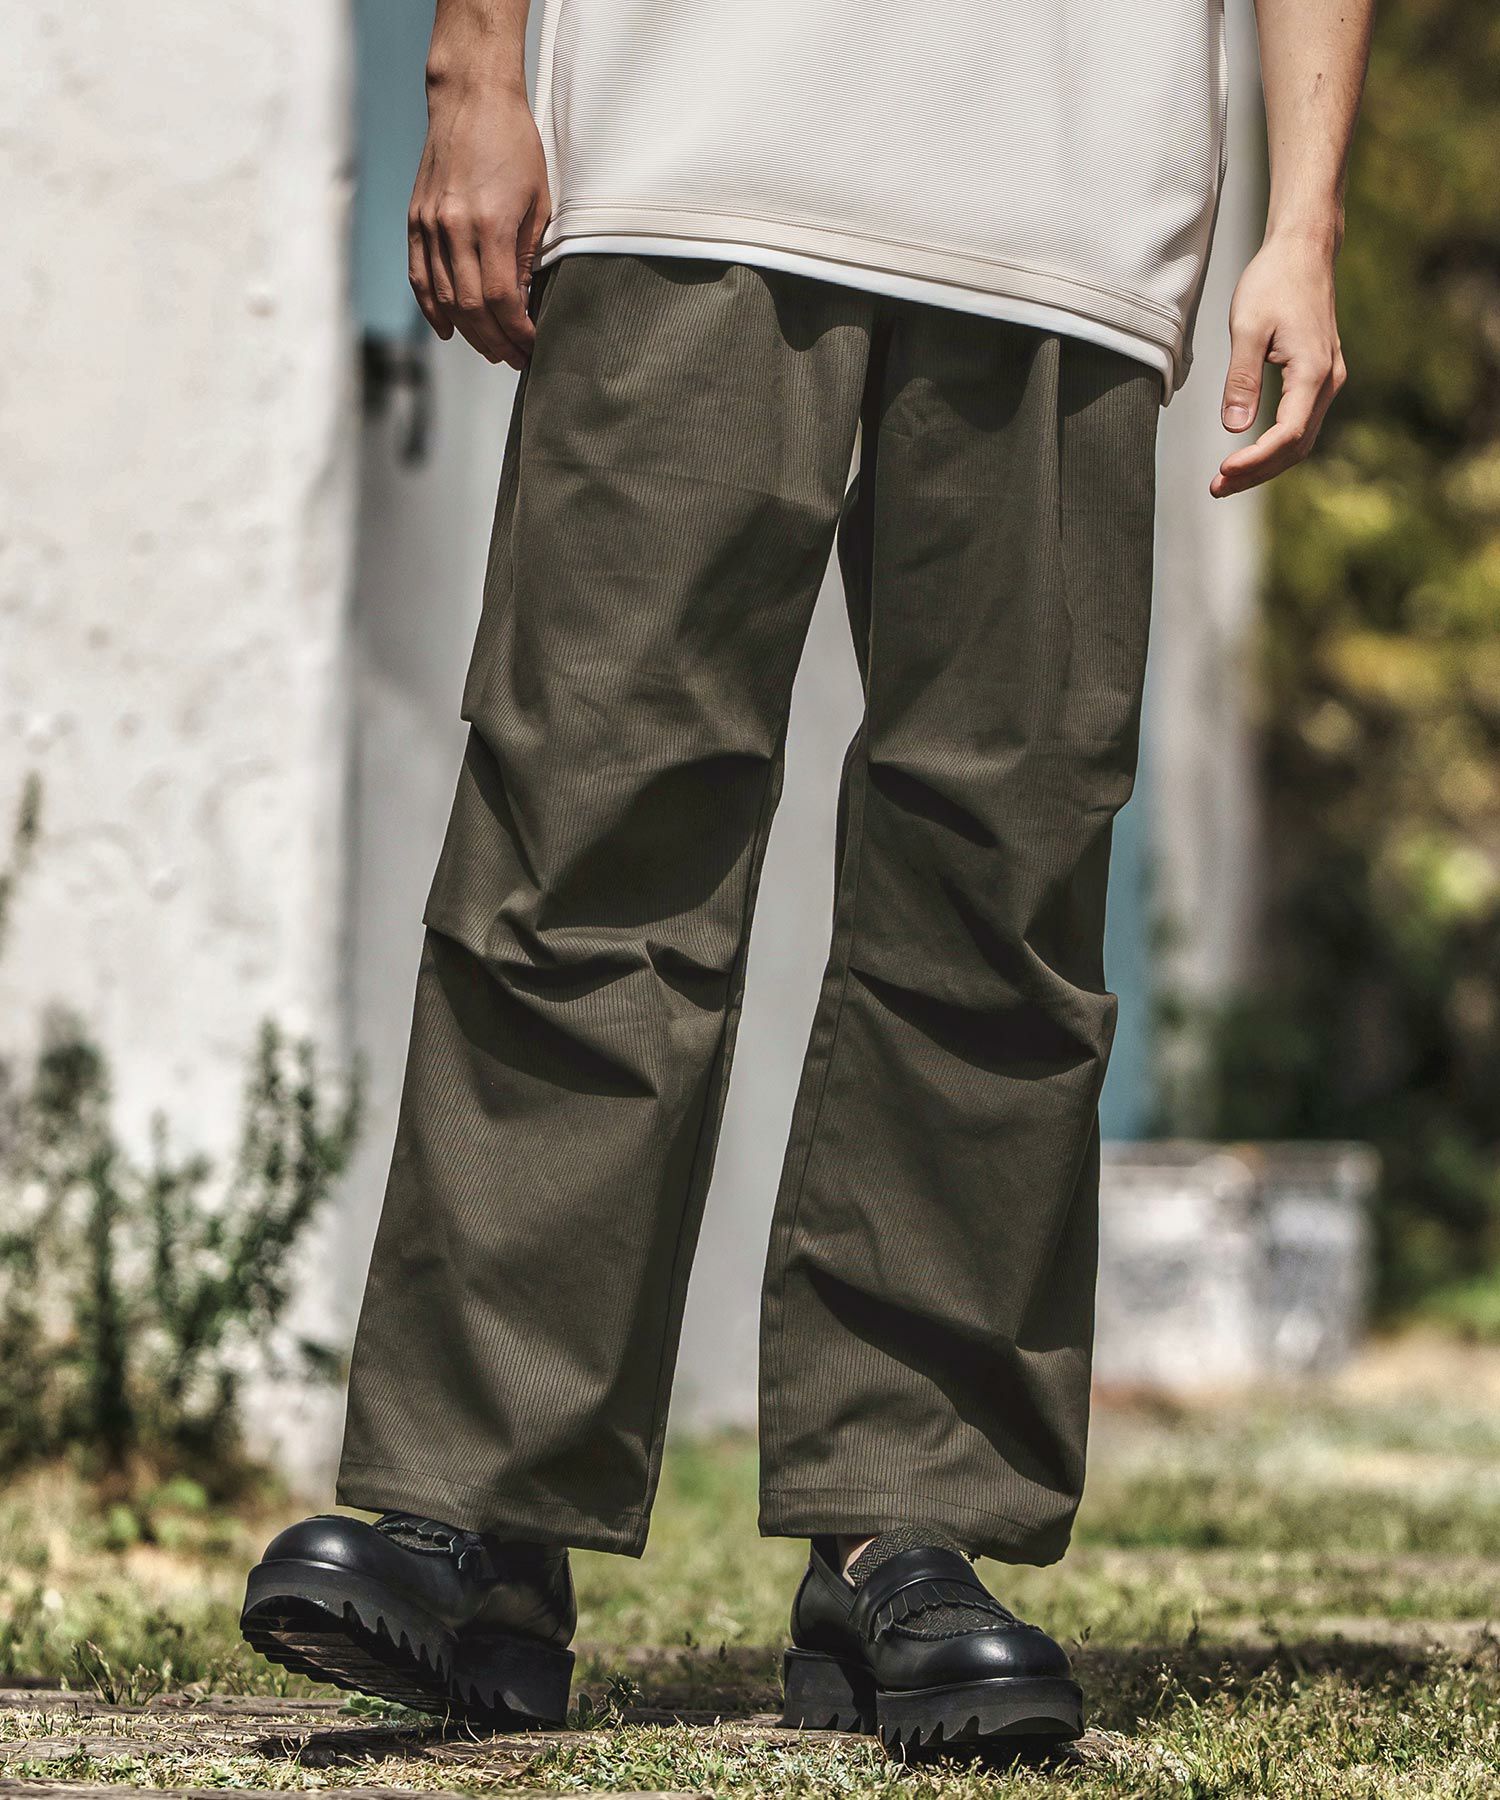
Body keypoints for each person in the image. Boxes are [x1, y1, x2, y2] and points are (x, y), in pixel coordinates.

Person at [241, 0, 1373, 1751]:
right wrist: (474, 65)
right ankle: (477, 1513)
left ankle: (902, 1527)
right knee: (584, 829)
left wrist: (1305, 221)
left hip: (1070, 206)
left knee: (999, 884)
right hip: (684, 143)